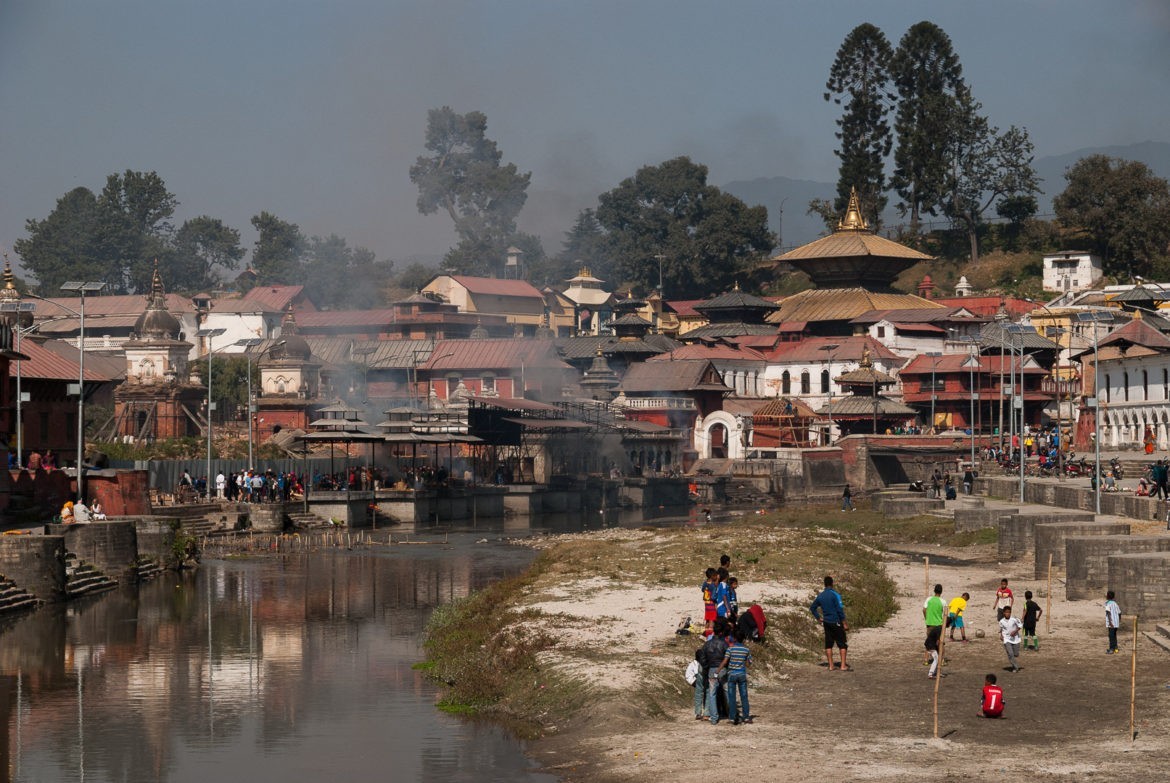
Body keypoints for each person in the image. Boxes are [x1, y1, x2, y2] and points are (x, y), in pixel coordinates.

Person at [810, 575, 849, 671]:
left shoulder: (820, 596)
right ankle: (843, 666)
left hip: (826, 622)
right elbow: (840, 610)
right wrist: (844, 623)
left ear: (824, 584)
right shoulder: (835, 595)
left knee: (828, 644)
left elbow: (812, 608)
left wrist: (818, 618)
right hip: (836, 621)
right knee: (842, 644)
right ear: (832, 584)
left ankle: (831, 666)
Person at [716, 629, 753, 725]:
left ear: (735, 639)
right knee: (744, 696)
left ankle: (732, 717)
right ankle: (746, 717)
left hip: (732, 674)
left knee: (732, 697)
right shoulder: (746, 650)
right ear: (743, 639)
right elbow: (749, 663)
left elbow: (725, 661)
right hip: (742, 674)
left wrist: (717, 671)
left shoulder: (730, 649)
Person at [701, 622, 729, 725]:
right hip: (722, 670)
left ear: (714, 631)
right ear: (721, 632)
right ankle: (731, 713)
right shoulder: (724, 644)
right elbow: (728, 657)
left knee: (712, 694)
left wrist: (707, 667)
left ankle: (714, 718)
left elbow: (702, 658)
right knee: (727, 692)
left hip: (712, 670)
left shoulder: (707, 644)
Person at [923, 583, 945, 678]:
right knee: (940, 646)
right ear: (941, 591)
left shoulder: (929, 599)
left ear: (934, 590)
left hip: (929, 625)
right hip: (938, 626)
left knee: (929, 642)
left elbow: (924, 610)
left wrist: (927, 619)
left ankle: (926, 660)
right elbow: (945, 615)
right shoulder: (943, 601)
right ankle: (939, 665)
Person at [999, 605, 1023, 672]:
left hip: (1016, 639)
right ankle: (1015, 667)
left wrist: (1015, 631)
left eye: (1009, 612)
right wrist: (1001, 635)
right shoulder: (1001, 621)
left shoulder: (1014, 619)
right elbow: (1002, 629)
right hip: (1006, 639)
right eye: (1006, 612)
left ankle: (1014, 657)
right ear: (1004, 613)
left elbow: (1020, 625)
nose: (1008, 614)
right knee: (1010, 654)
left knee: (1016, 654)